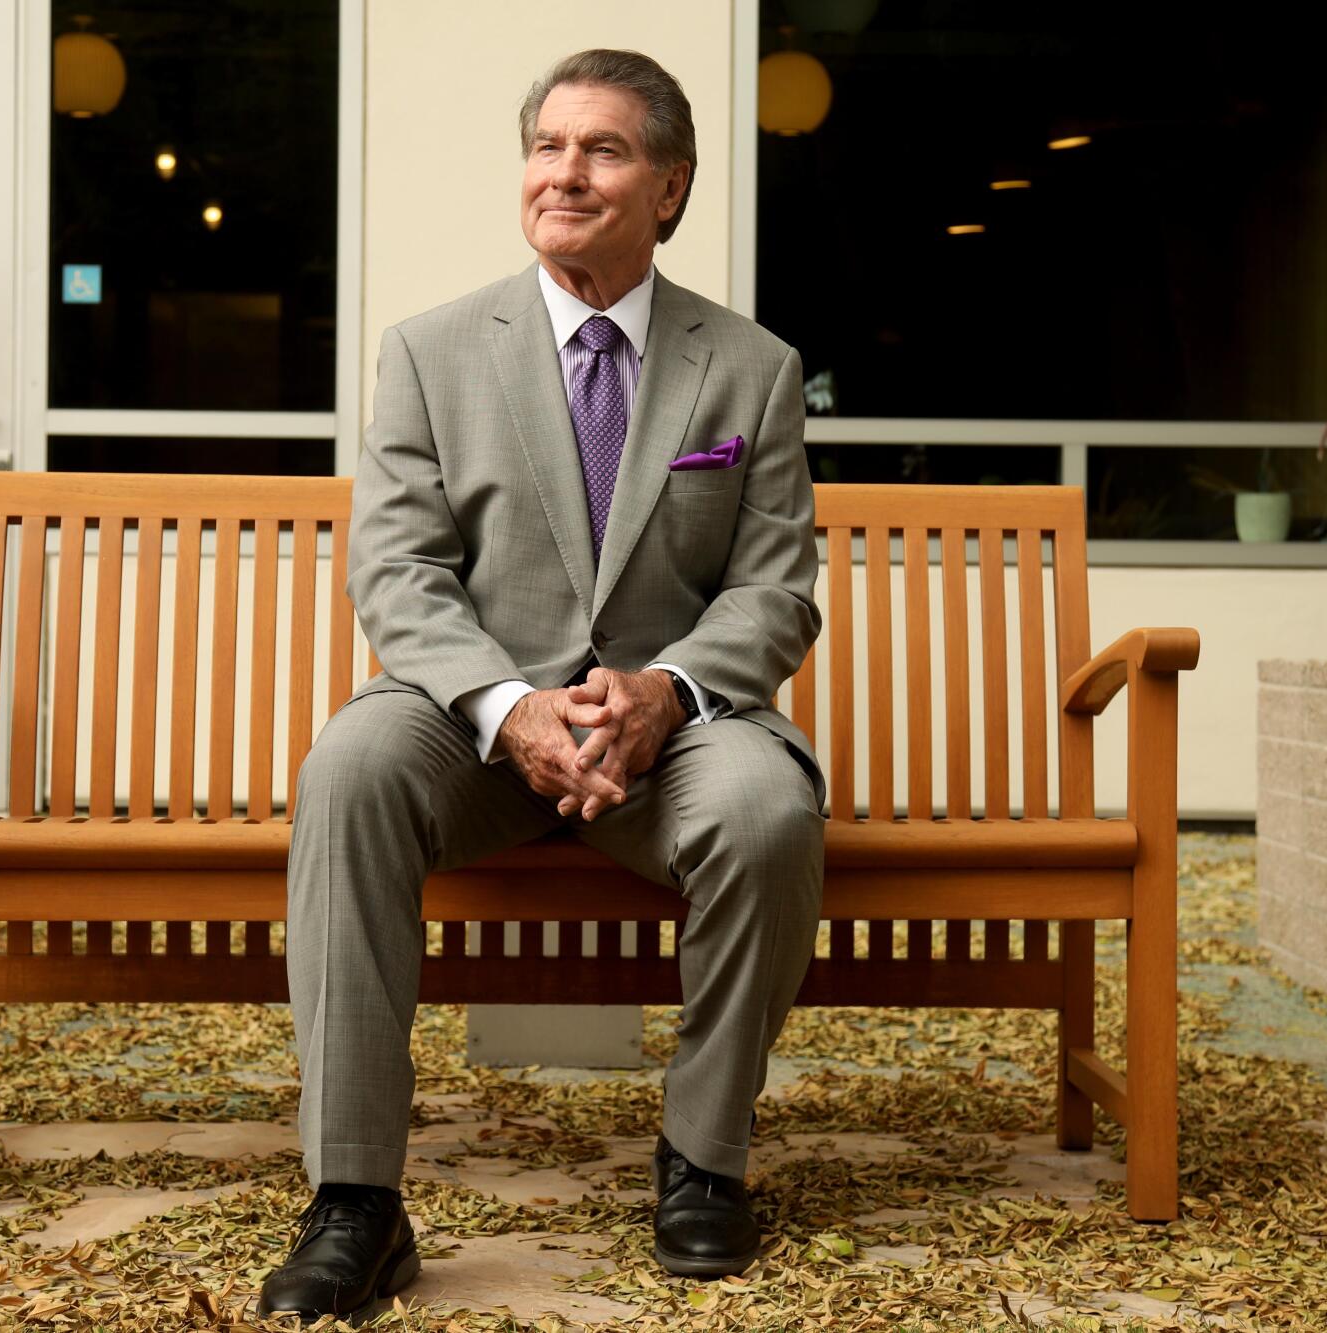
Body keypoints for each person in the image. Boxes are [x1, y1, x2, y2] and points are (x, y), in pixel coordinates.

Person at [258, 48, 826, 1325]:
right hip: (466, 723)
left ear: (669, 186)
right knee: (347, 769)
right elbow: (399, 574)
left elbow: (774, 589)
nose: (563, 173)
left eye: (603, 149)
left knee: (766, 814)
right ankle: (353, 1196)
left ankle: (701, 1157)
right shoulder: (431, 351)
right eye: (548, 146)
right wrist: (506, 707)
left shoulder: (750, 369)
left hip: (670, 733)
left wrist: (666, 693)